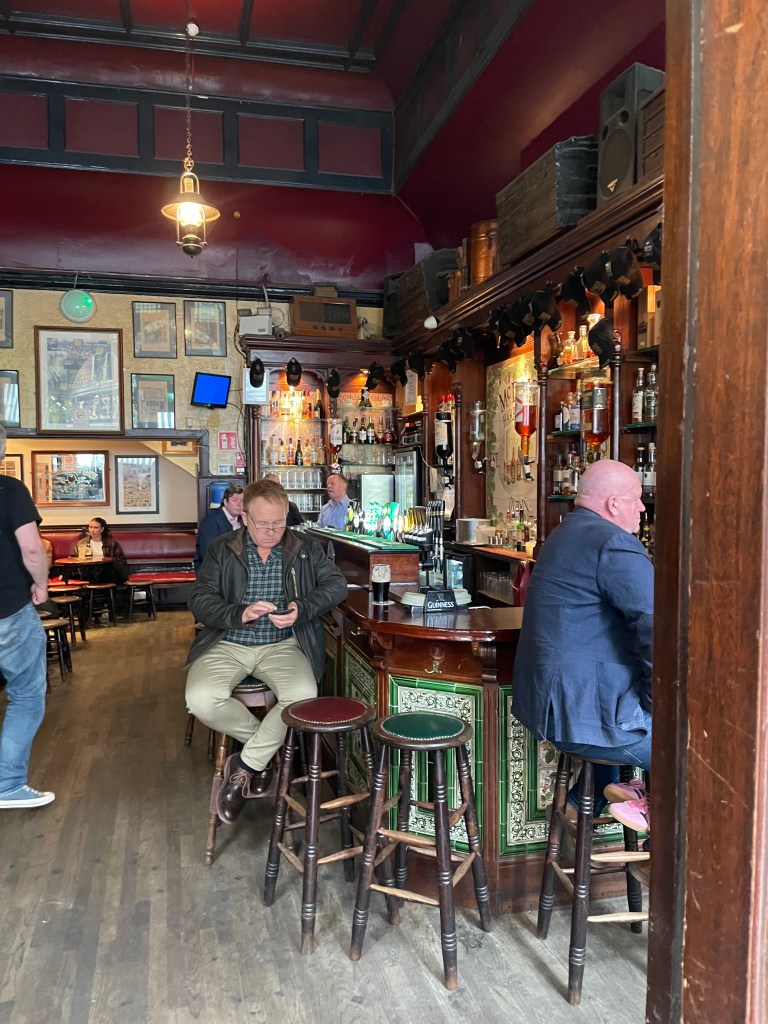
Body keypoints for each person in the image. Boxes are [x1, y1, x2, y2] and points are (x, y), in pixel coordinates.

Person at [185, 478, 347, 821]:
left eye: (279, 522)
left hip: (282, 645)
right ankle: (267, 752)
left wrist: (302, 608)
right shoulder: (221, 548)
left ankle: (245, 765)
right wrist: (237, 613)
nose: (273, 531)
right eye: (263, 524)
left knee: (303, 694)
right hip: (227, 642)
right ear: (245, 517)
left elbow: (336, 585)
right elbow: (199, 600)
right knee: (200, 698)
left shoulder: (303, 547)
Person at [512, 459, 653, 832]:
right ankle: (662, 831)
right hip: (580, 718)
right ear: (613, 505)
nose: (642, 508)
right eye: (637, 500)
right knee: (703, 746)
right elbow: (657, 629)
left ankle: (593, 798)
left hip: (550, 707)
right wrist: (659, 704)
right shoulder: (615, 543)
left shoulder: (564, 533)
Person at [0, 424, 54, 809]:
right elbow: (33, 550)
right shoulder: (9, 490)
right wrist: (42, 586)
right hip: (8, 611)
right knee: (25, 696)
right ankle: (8, 784)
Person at [194, 484, 244, 570]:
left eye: (242, 501)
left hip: (236, 568)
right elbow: (208, 554)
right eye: (235, 500)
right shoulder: (211, 522)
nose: (239, 504)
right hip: (213, 571)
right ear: (225, 502)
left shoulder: (244, 519)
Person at [71, 517, 129, 584]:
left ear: (102, 529)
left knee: (108, 572)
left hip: (106, 572)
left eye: (96, 528)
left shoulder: (111, 543)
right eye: (90, 527)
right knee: (87, 572)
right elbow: (73, 559)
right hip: (87, 571)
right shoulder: (81, 543)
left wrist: (108, 561)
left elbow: (120, 560)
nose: (92, 530)